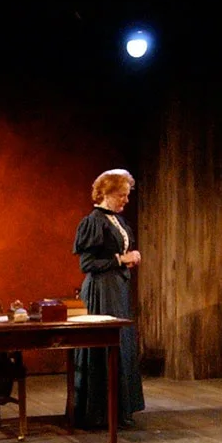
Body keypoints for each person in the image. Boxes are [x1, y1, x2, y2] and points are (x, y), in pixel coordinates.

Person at [71, 168, 145, 429]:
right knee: (105, 347)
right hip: (101, 291)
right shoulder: (94, 221)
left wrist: (127, 260)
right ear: (106, 193)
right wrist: (121, 259)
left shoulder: (118, 221)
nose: (126, 200)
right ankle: (98, 412)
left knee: (121, 344)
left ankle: (120, 409)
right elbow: (87, 264)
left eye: (127, 195)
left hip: (118, 288)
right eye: (121, 195)